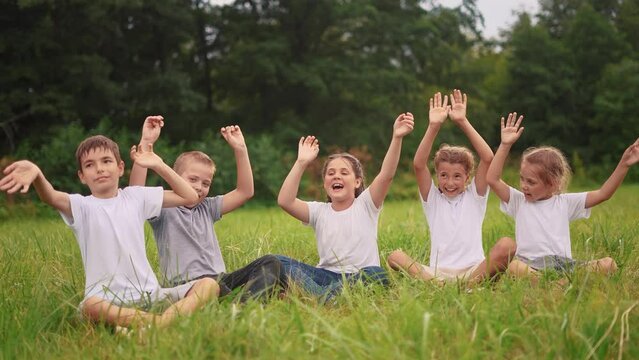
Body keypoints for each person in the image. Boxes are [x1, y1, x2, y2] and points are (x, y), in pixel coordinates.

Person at [0, 133, 218, 329]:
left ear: (120, 167)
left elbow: (189, 196)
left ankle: (158, 323)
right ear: (82, 176)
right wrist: (37, 174)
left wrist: (158, 164)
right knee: (90, 306)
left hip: (152, 295)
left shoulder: (135, 197)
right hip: (108, 300)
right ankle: (158, 322)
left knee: (208, 285)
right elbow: (50, 196)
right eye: (90, 165)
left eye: (106, 161)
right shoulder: (81, 206)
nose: (100, 169)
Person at [129, 116, 282, 302]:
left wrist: (241, 149)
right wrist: (146, 143)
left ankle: (244, 305)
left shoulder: (207, 207)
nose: (199, 187)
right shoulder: (164, 207)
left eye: (206, 183)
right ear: (175, 176)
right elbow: (134, 194)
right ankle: (243, 300)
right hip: (186, 285)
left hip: (220, 280)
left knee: (270, 262)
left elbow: (245, 191)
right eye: (192, 179)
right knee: (224, 290)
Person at [276, 112, 414, 303]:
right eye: (330, 173)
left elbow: (387, 174)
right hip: (324, 275)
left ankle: (315, 295)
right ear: (325, 184)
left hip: (359, 275)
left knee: (377, 274)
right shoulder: (318, 211)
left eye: (344, 172)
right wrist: (301, 163)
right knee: (277, 261)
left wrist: (397, 137)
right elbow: (285, 201)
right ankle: (327, 296)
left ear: (357, 182)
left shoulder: (367, 204)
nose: (336, 176)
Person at [486, 112, 639, 281]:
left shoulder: (565, 203)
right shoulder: (518, 200)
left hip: (564, 266)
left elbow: (604, 194)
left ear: (553, 184)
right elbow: (492, 179)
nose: (523, 185)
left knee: (608, 264)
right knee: (514, 266)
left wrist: (624, 164)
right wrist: (505, 145)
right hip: (530, 266)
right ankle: (557, 284)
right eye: (522, 178)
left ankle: (558, 283)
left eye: (531, 182)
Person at [387, 90, 515, 284]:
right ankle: (449, 287)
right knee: (395, 256)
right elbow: (419, 164)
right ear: (437, 175)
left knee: (507, 245)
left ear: (467, 177)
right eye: (444, 176)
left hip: (472, 270)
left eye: (457, 176)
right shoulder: (433, 199)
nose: (449, 182)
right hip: (438, 274)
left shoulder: (476, 195)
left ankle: (467, 284)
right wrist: (433, 126)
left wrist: (462, 121)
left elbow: (488, 158)